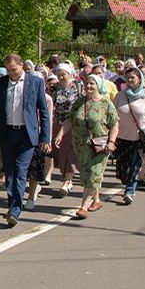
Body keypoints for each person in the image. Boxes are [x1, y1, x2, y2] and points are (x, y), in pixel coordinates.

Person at [0, 53, 52, 227]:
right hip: (7, 133)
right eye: (8, 70)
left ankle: (15, 209)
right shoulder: (0, 84)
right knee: (10, 171)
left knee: (20, 171)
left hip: (26, 135)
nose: (11, 73)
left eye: (14, 70)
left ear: (21, 65)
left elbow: (43, 112)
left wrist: (45, 137)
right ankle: (13, 204)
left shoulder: (35, 82)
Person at [67, 74, 119, 219]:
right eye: (87, 83)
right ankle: (96, 200)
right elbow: (70, 120)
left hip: (100, 146)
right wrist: (59, 135)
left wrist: (111, 142)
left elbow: (114, 124)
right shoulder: (79, 102)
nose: (89, 86)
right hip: (80, 146)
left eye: (92, 84)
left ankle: (83, 207)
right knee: (87, 174)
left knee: (93, 174)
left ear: (98, 86)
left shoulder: (106, 103)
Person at [113, 67, 145, 205]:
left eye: (133, 77)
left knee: (134, 166)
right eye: (128, 78)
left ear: (140, 79)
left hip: (139, 138)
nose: (130, 80)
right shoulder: (120, 96)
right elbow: (112, 114)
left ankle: (129, 190)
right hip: (121, 138)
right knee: (122, 169)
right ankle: (127, 182)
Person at [49, 62, 81, 196]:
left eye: (63, 75)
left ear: (70, 74)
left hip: (74, 124)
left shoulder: (78, 86)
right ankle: (67, 178)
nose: (61, 77)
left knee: (70, 153)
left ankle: (67, 181)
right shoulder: (54, 89)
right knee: (61, 153)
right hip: (59, 123)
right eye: (58, 75)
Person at [25, 77, 56, 210]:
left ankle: (31, 196)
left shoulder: (47, 98)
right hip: (22, 134)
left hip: (37, 136)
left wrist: (46, 139)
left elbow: (47, 118)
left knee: (34, 167)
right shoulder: (23, 95)